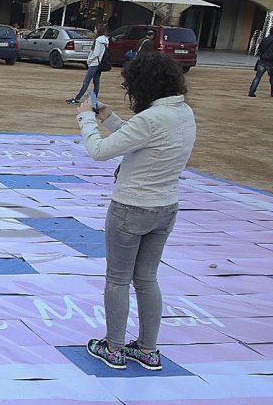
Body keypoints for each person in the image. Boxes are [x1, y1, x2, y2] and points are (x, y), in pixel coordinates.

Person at [77, 53, 196, 371]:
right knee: (146, 279)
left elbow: (100, 151)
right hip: (165, 208)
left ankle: (113, 347)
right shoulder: (182, 112)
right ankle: (148, 349)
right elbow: (145, 140)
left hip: (131, 209)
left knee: (117, 280)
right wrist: (111, 119)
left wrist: (86, 119)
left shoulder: (152, 118)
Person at [67, 28, 109, 104]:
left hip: (94, 63)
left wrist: (89, 60)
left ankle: (77, 98)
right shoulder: (105, 40)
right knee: (96, 82)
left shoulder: (98, 40)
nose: (94, 31)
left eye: (95, 29)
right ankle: (94, 100)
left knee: (86, 82)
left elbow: (96, 53)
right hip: (100, 63)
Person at [249, 25, 273, 97]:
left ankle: (251, 91)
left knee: (258, 77)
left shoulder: (265, 39)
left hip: (262, 60)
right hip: (271, 61)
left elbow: (260, 48)